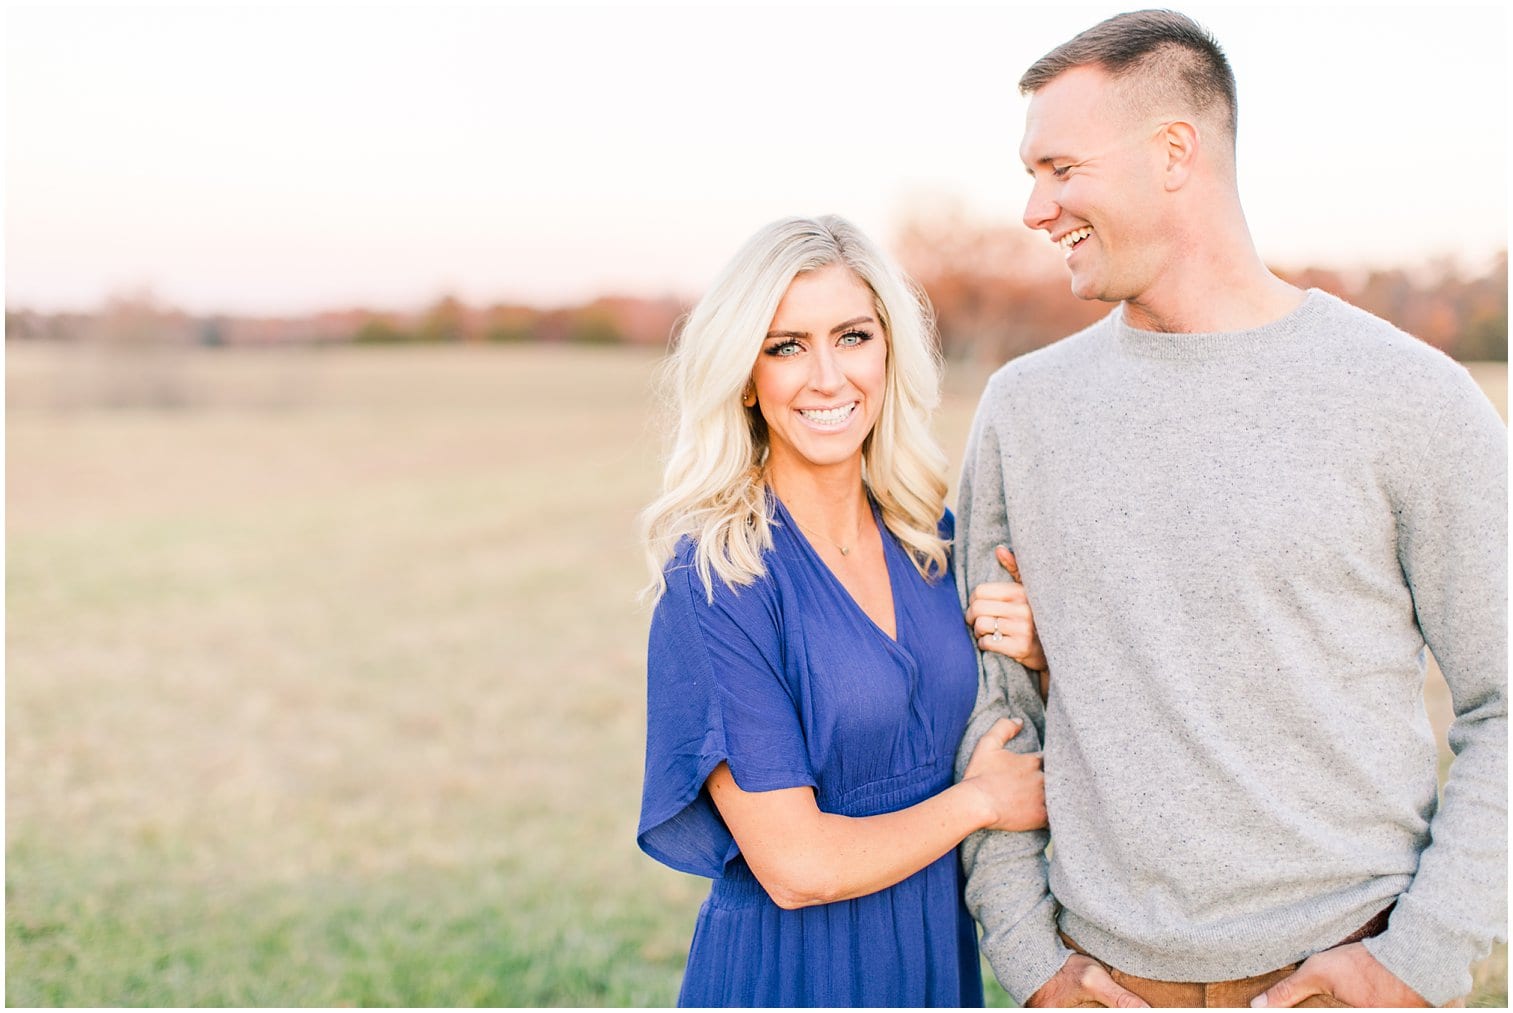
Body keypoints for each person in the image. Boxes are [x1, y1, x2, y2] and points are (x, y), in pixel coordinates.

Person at [954, 10, 1507, 1009]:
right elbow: (1000, 710)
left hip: (1346, 969)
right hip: (1104, 981)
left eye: (1060, 167)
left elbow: (1504, 702)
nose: (1036, 208)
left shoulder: (1412, 399)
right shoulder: (1022, 413)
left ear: (1175, 152)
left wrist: (1417, 962)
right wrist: (1030, 961)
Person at [635, 214, 1049, 1007]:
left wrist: (1033, 653)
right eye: (785, 345)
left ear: (888, 350)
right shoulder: (719, 578)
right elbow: (796, 868)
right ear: (746, 376)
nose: (827, 376)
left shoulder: (932, 543)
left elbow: (998, 717)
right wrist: (981, 803)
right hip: (790, 974)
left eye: (851, 336)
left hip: (929, 963)